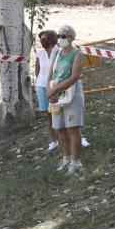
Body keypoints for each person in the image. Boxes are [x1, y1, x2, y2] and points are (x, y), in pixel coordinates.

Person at [47, 24, 86, 174]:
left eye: (63, 36)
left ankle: (76, 162)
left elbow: (74, 76)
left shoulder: (77, 54)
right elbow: (50, 74)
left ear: (71, 37)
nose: (60, 39)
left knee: (72, 128)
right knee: (59, 128)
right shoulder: (57, 53)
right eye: (58, 36)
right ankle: (66, 158)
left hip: (71, 94)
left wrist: (55, 90)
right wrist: (49, 91)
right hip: (56, 94)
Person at [34, 29, 60, 153]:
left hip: (55, 86)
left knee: (59, 112)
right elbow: (37, 69)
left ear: (52, 40)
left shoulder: (59, 52)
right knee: (48, 115)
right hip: (41, 86)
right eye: (41, 40)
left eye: (45, 39)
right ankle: (53, 141)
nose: (43, 42)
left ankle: (71, 137)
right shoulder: (40, 53)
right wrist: (40, 82)